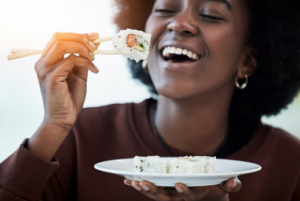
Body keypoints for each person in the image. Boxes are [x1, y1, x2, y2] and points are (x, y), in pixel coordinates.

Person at [0, 0, 300, 200]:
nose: (179, 23)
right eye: (166, 9)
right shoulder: (79, 134)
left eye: (210, 14)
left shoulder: (290, 162)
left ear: (247, 62)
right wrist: (53, 125)